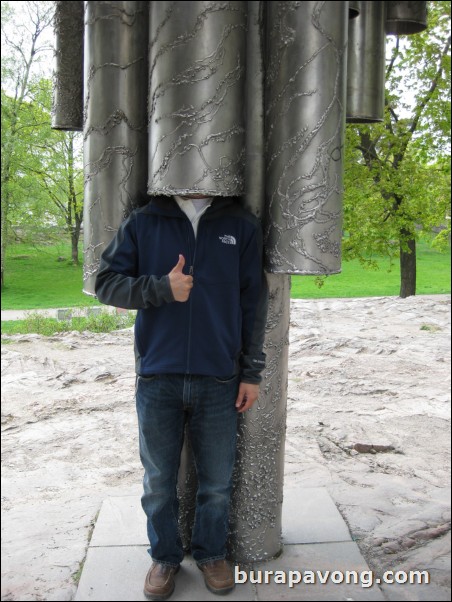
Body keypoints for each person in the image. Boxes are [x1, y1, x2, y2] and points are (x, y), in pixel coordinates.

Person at [95, 193, 268, 600]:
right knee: (158, 482)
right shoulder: (144, 221)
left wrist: (251, 372)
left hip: (219, 378)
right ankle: (165, 558)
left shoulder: (240, 224)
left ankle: (211, 555)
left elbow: (253, 303)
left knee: (217, 483)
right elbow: (105, 284)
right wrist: (161, 288)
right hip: (158, 376)